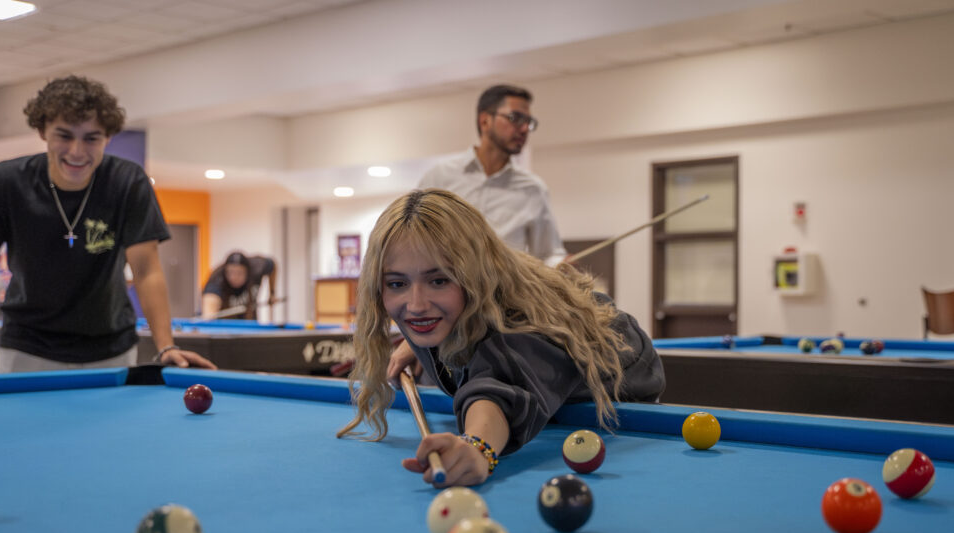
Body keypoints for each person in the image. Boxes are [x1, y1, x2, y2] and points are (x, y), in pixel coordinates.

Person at [337, 190, 664, 488]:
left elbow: (498, 391)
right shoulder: (444, 313)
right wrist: (415, 341)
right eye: (397, 284)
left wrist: (477, 448)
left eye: (439, 280)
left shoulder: (518, 332)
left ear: (474, 275)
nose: (417, 305)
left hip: (625, 380)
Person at [0, 75, 214, 373]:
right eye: (64, 135)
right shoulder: (6, 182)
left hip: (110, 349)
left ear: (108, 137)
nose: (77, 151)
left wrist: (166, 346)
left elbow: (146, 270)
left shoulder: (127, 181)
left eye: (91, 138)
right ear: (43, 131)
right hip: (27, 346)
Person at [418, 84, 566, 266]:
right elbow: (413, 235)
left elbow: (548, 254)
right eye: (516, 118)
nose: (524, 128)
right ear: (485, 121)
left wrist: (561, 264)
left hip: (505, 292)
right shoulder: (439, 177)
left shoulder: (533, 189)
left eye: (529, 122)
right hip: (445, 287)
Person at [200, 251, 278, 320]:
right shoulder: (216, 280)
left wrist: (272, 293)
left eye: (239, 273)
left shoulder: (258, 267)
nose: (234, 277)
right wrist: (209, 317)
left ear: (247, 272)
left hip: (250, 321)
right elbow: (208, 314)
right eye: (231, 272)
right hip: (225, 327)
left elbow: (273, 266)